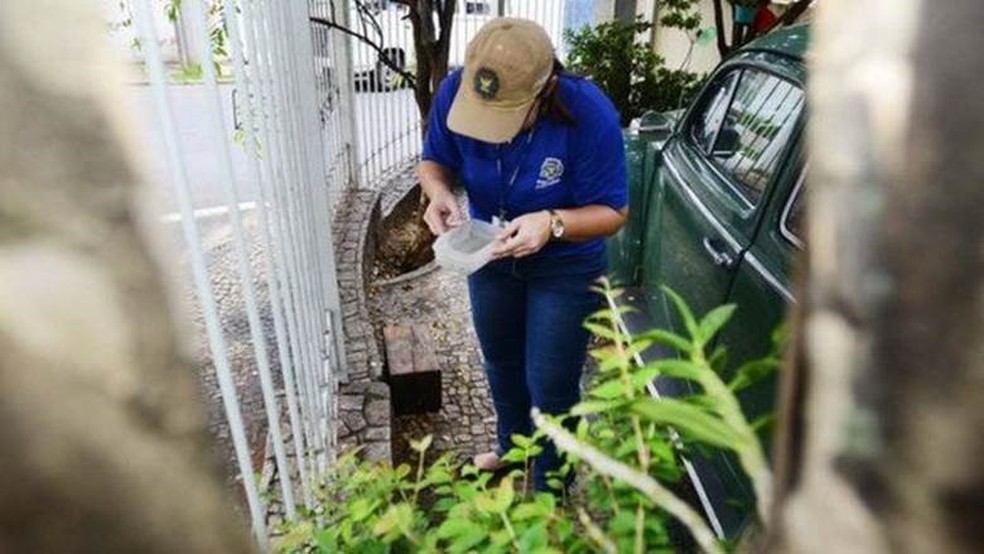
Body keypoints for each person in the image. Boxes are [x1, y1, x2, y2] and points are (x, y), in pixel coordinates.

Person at [417, 17, 628, 492]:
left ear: (547, 87)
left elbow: (614, 212)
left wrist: (553, 223)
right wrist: (437, 192)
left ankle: (551, 481)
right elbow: (434, 161)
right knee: (501, 360)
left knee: (550, 381)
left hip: (565, 266)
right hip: (490, 254)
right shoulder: (457, 89)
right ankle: (514, 447)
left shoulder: (589, 112)